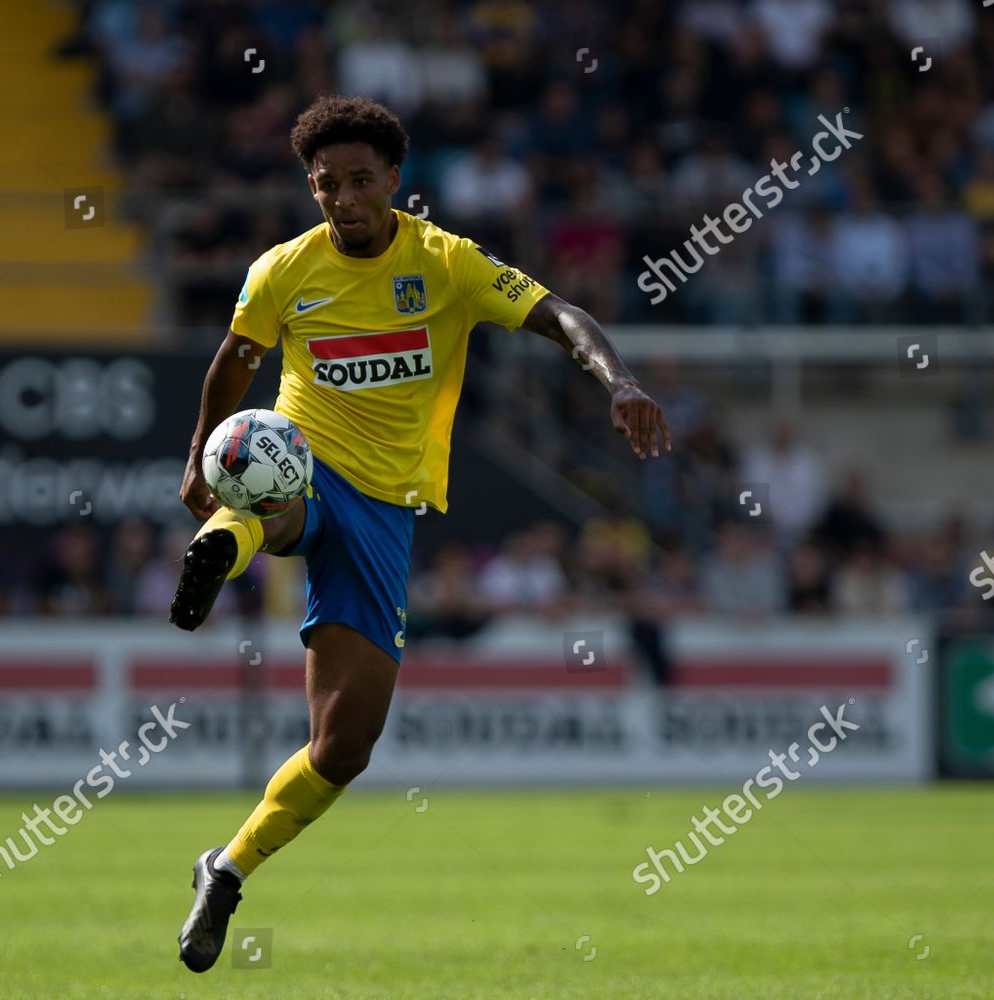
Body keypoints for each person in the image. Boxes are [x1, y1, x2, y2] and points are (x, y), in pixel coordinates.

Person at [170, 95, 671, 973]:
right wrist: (193, 459)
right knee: (275, 489)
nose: (345, 199)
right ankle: (227, 539)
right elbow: (234, 364)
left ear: (394, 181)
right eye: (326, 185)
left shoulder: (447, 264)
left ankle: (227, 867)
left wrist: (618, 380)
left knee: (343, 748)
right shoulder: (282, 270)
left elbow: (559, 316)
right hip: (302, 455)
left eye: (361, 181)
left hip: (387, 506)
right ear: (312, 189)